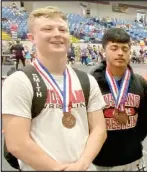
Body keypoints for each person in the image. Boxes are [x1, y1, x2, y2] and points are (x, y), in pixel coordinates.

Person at [2, 6, 107, 171]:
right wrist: (58, 169)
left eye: (62, 29)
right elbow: (17, 143)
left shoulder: (87, 80)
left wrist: (82, 164)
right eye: (47, 29)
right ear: (32, 38)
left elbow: (99, 129)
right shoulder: (19, 81)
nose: (57, 34)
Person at [89, 28, 147, 171]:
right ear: (104, 50)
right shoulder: (90, 83)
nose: (120, 53)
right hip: (101, 160)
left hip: (134, 158)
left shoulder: (141, 84)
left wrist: (134, 142)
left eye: (125, 48)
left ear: (130, 51)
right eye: (114, 48)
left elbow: (145, 122)